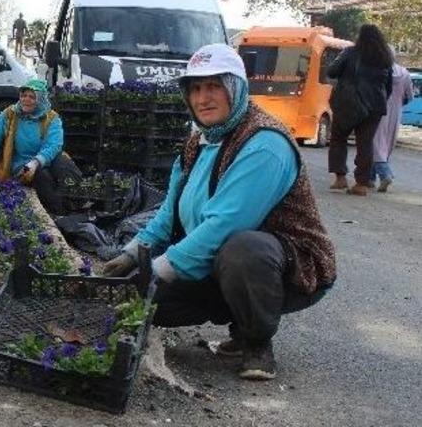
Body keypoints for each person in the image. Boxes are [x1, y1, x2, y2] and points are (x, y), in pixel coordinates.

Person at [102, 44, 336, 381]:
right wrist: (131, 255)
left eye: (214, 86)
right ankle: (236, 311)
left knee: (242, 249)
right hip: (216, 259)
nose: (203, 98)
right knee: (145, 299)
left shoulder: (264, 142)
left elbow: (226, 225)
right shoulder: (199, 141)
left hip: (292, 267)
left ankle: (254, 340)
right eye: (195, 88)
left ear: (236, 87)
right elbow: (169, 212)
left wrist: (156, 270)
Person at [0, 79, 82, 215]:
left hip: (44, 159)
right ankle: (60, 213)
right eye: (23, 96)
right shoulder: (9, 114)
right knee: (42, 176)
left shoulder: (52, 118)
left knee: (65, 166)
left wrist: (36, 162)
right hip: (22, 163)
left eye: (31, 97)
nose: (26, 100)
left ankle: (74, 202)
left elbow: (54, 145)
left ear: (40, 99)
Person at [327, 24, 393, 196]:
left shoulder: (350, 53)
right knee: (365, 143)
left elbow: (332, 71)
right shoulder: (385, 58)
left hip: (349, 103)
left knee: (338, 139)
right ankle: (362, 184)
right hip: (375, 107)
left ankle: (340, 177)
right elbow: (389, 86)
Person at [371, 61, 413, 192]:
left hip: (378, 110)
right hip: (396, 112)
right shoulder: (404, 73)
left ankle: (385, 174)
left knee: (375, 144)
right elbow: (409, 95)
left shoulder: (377, 69)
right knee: (387, 144)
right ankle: (370, 177)